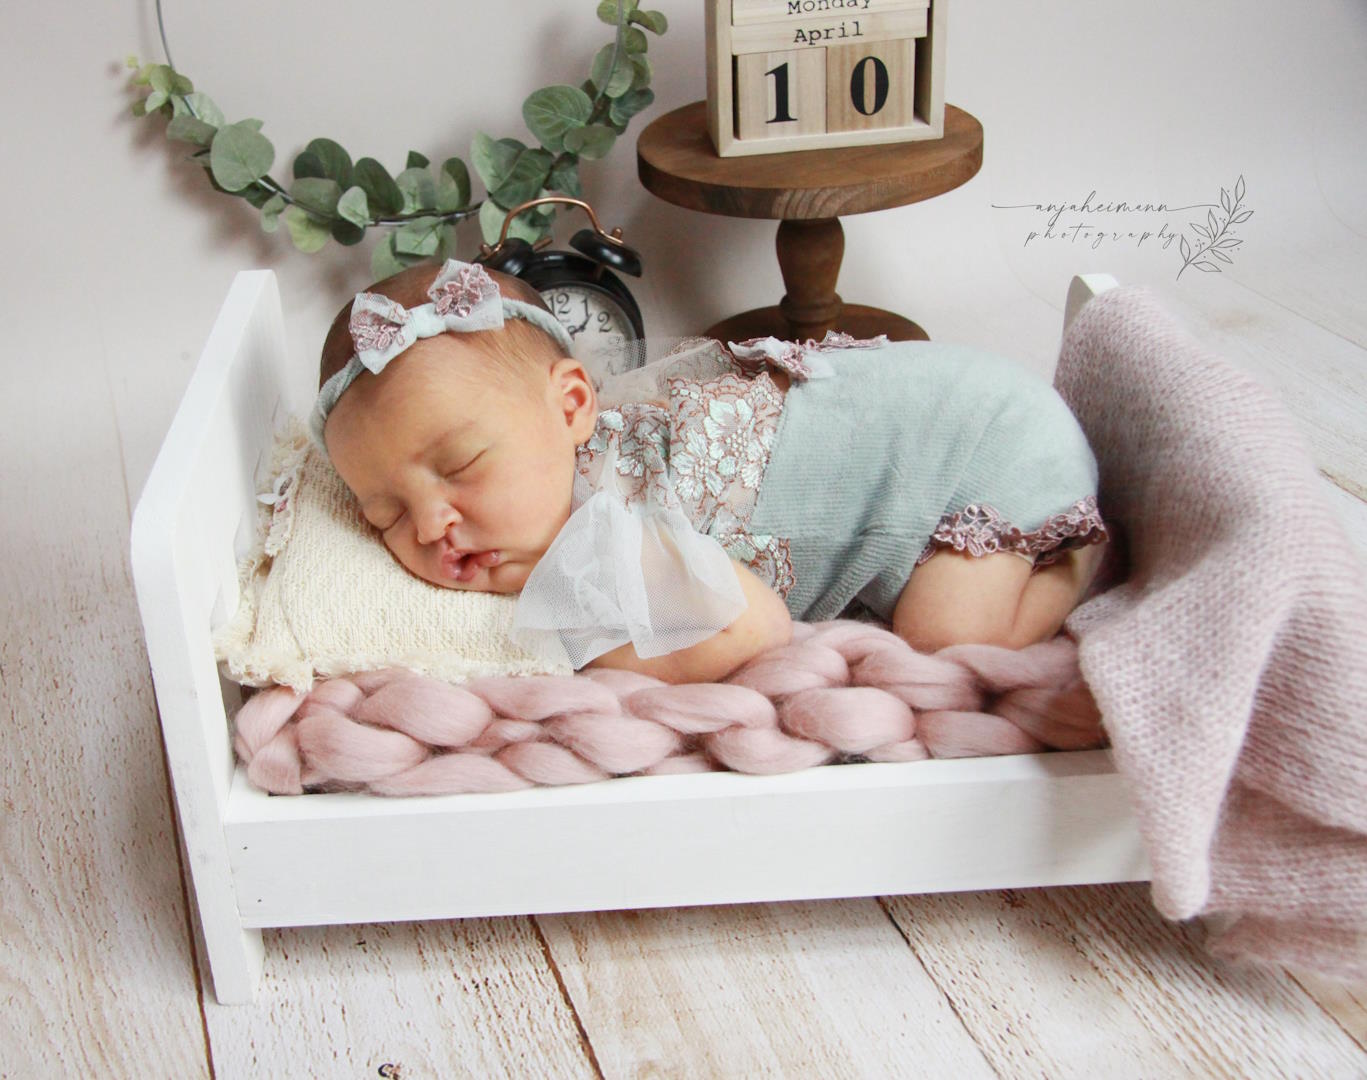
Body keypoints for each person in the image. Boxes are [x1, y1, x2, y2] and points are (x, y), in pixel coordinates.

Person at [313, 259, 1108, 684]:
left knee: (945, 640)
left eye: (459, 465)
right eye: (385, 513)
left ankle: (1077, 558)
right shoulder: (556, 489)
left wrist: (579, 649)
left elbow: (751, 631)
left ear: (572, 406)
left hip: (980, 443)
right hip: (938, 422)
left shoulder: (603, 529)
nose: (429, 526)